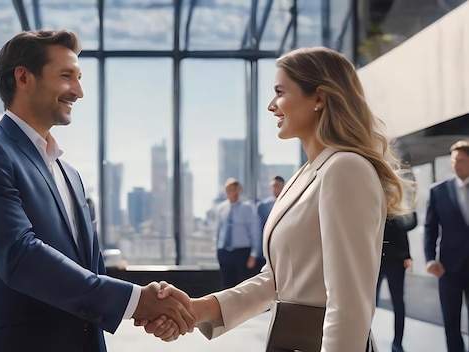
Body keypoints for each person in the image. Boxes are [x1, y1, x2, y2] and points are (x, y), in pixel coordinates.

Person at [138, 47, 414, 350]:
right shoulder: (305, 175)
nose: (271, 106)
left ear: (319, 98)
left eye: (280, 92)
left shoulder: (345, 169)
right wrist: (198, 309)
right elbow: (277, 279)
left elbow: (349, 301)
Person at [0, 29, 194, 352]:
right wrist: (137, 302)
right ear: (23, 77)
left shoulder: (71, 174)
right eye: (67, 76)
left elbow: (90, 272)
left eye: (79, 78)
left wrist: (146, 308)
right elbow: (19, 255)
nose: (79, 92)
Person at [424, 140, 469, 352]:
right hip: (448, 268)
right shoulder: (438, 191)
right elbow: (430, 228)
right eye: (454, 161)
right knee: (451, 322)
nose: (456, 165)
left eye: (461, 160)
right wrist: (430, 258)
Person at [214, 178, 261, 288]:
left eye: (233, 189)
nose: (230, 192)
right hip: (224, 252)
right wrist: (217, 249)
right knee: (226, 286)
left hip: (242, 253)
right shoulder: (221, 208)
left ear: (239, 190)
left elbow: (254, 232)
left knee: (243, 286)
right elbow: (218, 230)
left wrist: (253, 255)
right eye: (228, 190)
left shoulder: (247, 207)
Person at [376, 217, 414, 352]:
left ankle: (398, 342)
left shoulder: (398, 201)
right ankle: (365, 337)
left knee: (398, 302)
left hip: (396, 259)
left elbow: (410, 224)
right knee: (369, 302)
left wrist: (407, 256)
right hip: (377, 257)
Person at [256, 175, 285, 268]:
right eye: (274, 186)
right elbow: (258, 228)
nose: (275, 188)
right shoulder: (263, 206)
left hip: (283, 244)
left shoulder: (290, 203)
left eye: (278, 186)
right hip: (267, 245)